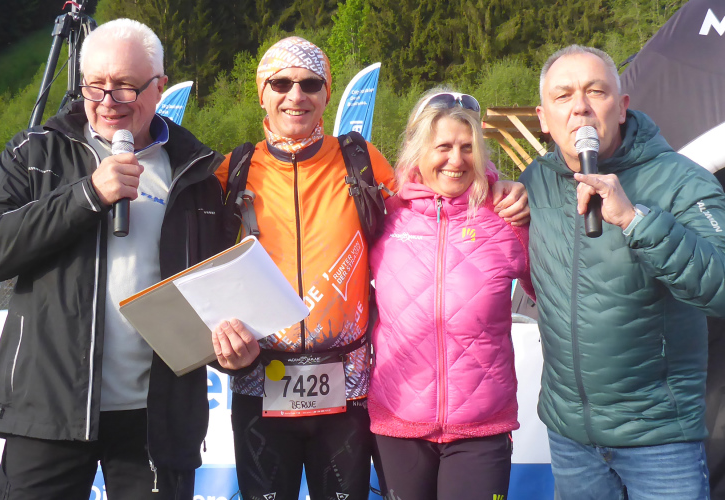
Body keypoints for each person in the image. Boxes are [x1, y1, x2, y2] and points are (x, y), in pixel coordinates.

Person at [208, 37, 530, 500]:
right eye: (280, 83)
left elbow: (432, 192)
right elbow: (200, 269)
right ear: (262, 93)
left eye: (310, 84)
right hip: (261, 379)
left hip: (348, 386)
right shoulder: (234, 170)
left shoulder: (359, 161)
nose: (296, 95)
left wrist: (497, 186)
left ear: (326, 94)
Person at [0, 19, 230, 500]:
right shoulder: (34, 151)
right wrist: (88, 195)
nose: (108, 101)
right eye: (95, 85)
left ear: (159, 86)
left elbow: (217, 288)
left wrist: (232, 353)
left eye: (126, 86)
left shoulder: (197, 170)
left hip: (155, 421)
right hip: (47, 409)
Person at [520, 44, 725, 500]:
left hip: (660, 439)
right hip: (571, 439)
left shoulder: (681, 180)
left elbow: (721, 287)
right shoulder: (534, 182)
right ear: (543, 117)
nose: (580, 107)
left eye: (596, 91)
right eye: (563, 95)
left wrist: (636, 220)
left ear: (622, 106)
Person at [367, 88, 534, 500]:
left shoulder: (507, 217)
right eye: (443, 147)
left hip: (481, 428)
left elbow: (557, 295)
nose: (456, 160)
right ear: (417, 150)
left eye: (467, 147)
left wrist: (533, 208)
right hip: (398, 423)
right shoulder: (384, 217)